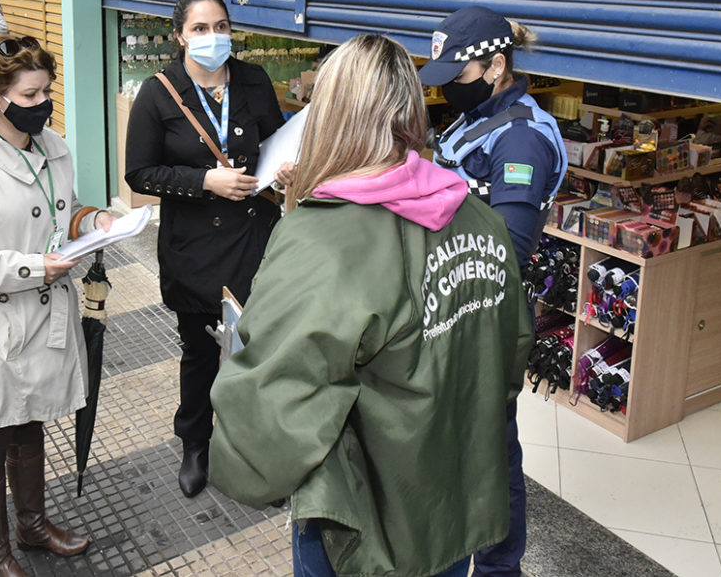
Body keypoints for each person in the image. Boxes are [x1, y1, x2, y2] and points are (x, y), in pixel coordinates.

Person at [209, 33, 532, 577]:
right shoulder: (480, 219)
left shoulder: (322, 239)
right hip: (452, 506)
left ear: (329, 116)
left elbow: (270, 407)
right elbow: (508, 355)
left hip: (359, 521)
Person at [0, 34, 114, 576]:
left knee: (31, 424)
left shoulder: (52, 145)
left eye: (46, 93)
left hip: (48, 313)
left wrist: (91, 220)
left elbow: (62, 209)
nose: (42, 105)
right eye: (30, 96)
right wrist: (32, 268)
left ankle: (32, 527)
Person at [417, 4, 568, 577]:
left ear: (495, 66)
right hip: (455, 298)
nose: (449, 90)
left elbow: (510, 246)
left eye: (456, 76)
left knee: (491, 445)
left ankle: (502, 567)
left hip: (492, 312)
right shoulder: (476, 117)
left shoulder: (523, 138)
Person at [123, 0, 286, 498]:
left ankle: (255, 449)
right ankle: (196, 443)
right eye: (200, 29)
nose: (213, 38)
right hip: (193, 245)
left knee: (258, 350)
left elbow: (278, 141)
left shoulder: (254, 80)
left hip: (255, 239)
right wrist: (203, 182)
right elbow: (139, 174)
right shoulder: (159, 92)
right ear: (179, 36)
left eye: (221, 27)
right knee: (199, 350)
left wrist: (283, 173)